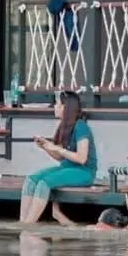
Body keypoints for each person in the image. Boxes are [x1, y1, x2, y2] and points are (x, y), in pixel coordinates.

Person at [19, 91, 98, 224]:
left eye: (57, 104)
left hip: (84, 172)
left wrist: (57, 148)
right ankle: (22, 221)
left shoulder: (81, 126)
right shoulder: (63, 126)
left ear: (65, 107)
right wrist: (46, 147)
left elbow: (81, 158)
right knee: (31, 180)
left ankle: (29, 224)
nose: (55, 107)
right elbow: (60, 157)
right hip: (67, 167)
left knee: (44, 183)